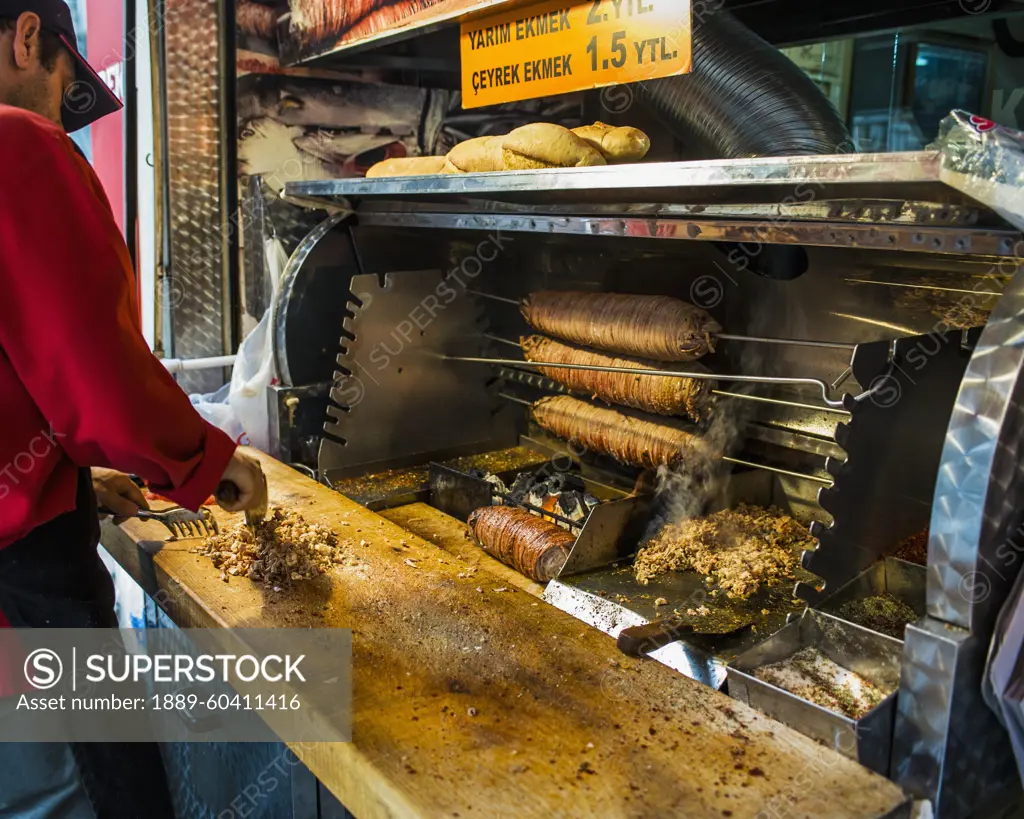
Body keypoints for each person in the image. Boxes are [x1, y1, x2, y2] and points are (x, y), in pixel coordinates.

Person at [0, 0, 268, 815]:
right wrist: (207, 460)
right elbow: (95, 369)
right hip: (24, 587)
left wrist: (71, 472)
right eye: (63, 91)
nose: (60, 121)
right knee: (98, 800)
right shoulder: (14, 139)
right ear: (26, 38)